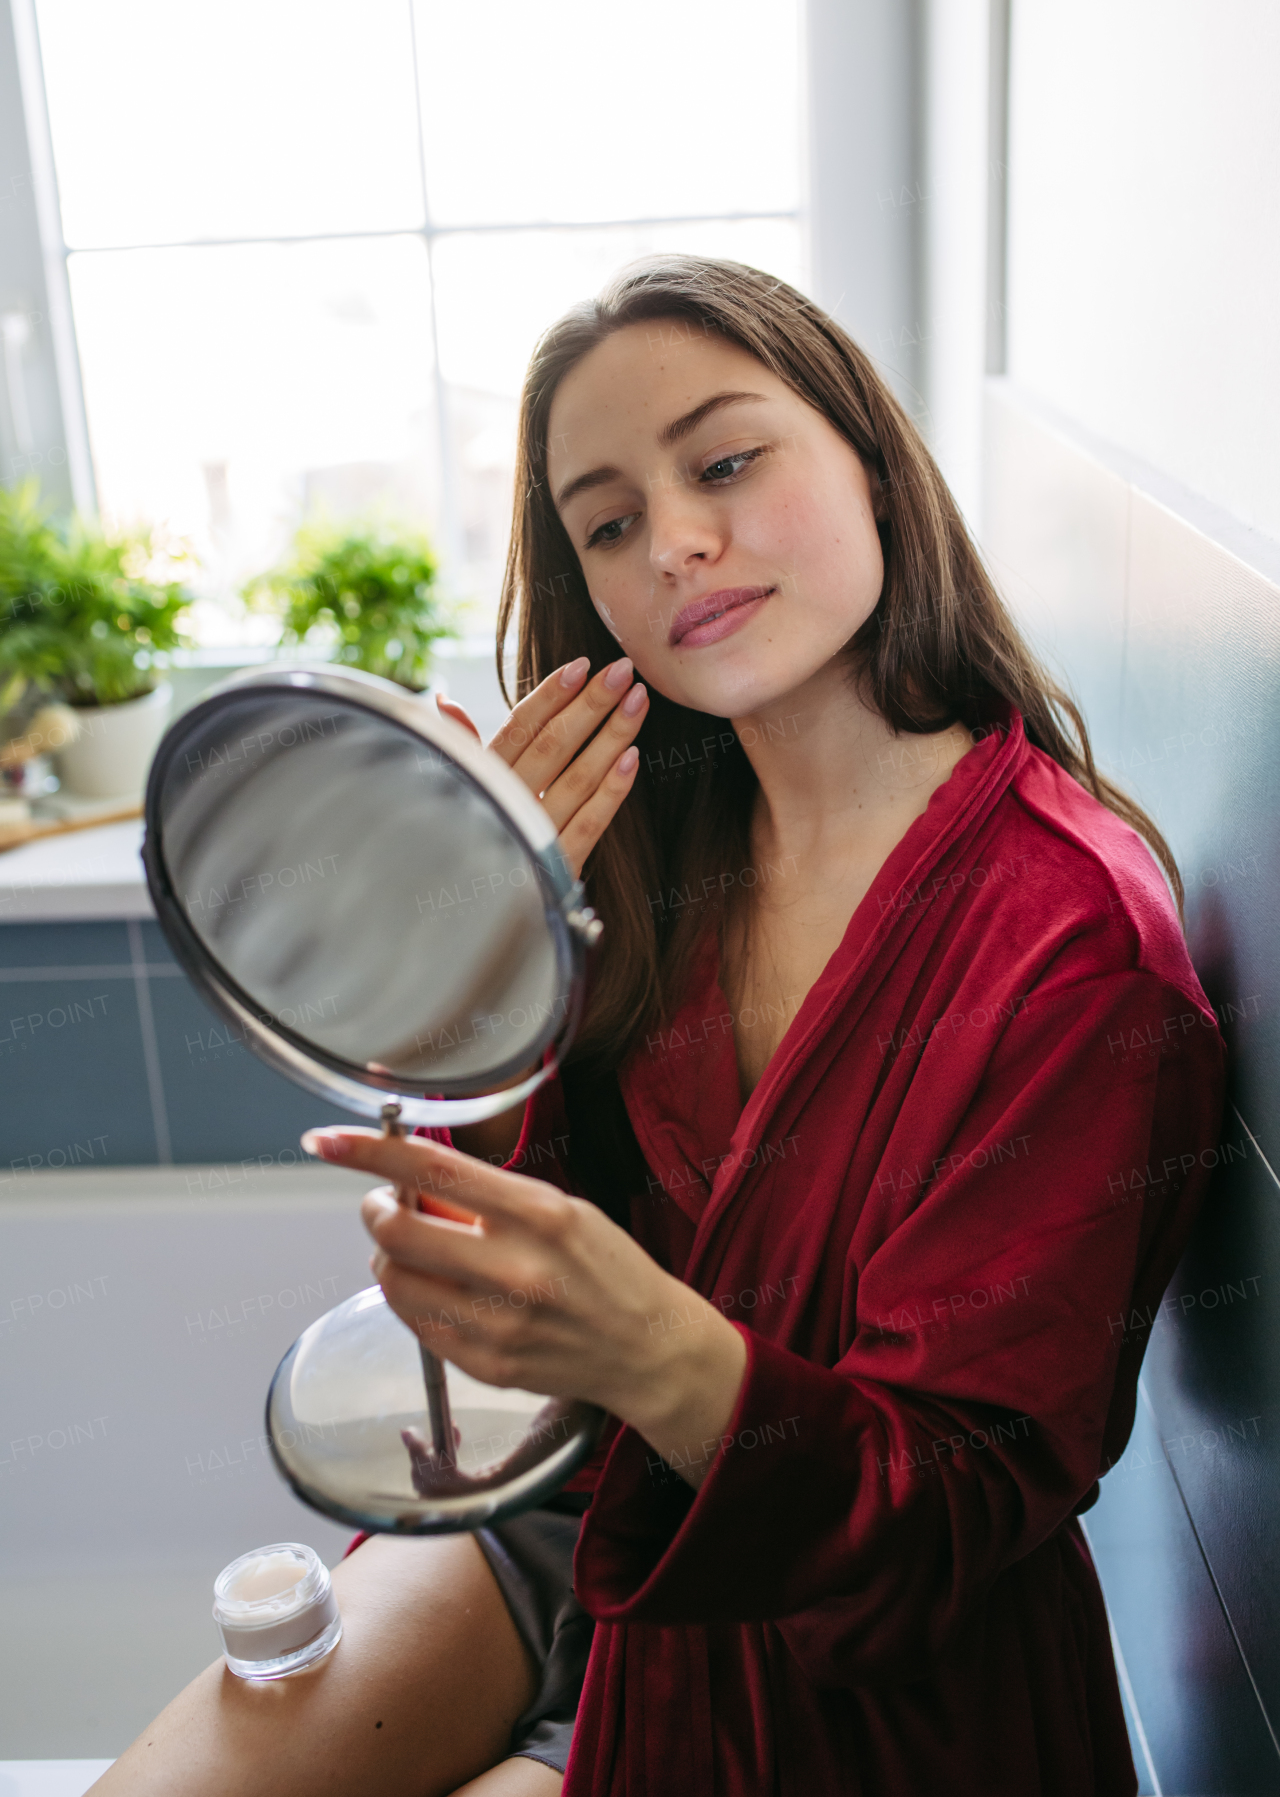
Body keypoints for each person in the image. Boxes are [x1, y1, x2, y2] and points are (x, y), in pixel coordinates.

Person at [94, 256, 1225, 1796]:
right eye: (610, 521)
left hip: (851, 1656)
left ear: (874, 462)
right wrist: (488, 950)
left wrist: (662, 1349)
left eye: (728, 461)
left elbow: (949, 1513)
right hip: (577, 1504)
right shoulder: (653, 842)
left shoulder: (1075, 951)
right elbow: (525, 1238)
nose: (679, 543)